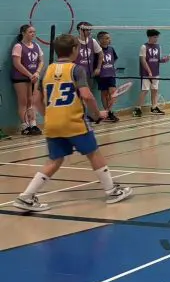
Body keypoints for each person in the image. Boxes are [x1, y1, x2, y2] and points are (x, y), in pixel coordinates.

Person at [13, 34, 133, 212]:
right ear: (75, 50)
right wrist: (97, 114)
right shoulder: (77, 70)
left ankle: (26, 196)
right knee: (94, 154)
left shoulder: (47, 70)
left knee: (55, 159)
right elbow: (86, 95)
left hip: (52, 124)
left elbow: (36, 99)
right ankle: (112, 191)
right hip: (74, 122)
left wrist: (48, 116)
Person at [10, 24, 44, 136]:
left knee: (31, 101)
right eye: (30, 32)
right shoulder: (18, 46)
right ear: (23, 33)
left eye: (34, 32)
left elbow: (41, 61)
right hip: (20, 78)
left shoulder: (36, 46)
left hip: (33, 77)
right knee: (23, 102)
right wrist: (29, 75)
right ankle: (25, 126)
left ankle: (33, 124)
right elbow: (17, 63)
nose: (33, 34)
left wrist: (37, 72)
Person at [133, 29, 170, 117]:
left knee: (155, 90)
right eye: (154, 37)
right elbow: (143, 60)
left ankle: (154, 107)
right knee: (145, 90)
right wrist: (149, 71)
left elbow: (158, 60)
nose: (156, 39)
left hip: (156, 73)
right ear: (149, 37)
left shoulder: (158, 46)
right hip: (146, 73)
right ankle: (137, 108)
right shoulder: (144, 47)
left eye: (157, 37)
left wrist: (165, 59)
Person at [96, 31, 119, 122]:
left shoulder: (111, 49)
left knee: (112, 93)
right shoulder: (97, 50)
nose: (109, 40)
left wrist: (110, 67)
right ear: (100, 40)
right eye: (107, 38)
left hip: (111, 74)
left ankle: (108, 111)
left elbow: (114, 59)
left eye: (109, 38)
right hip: (102, 75)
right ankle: (108, 113)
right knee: (104, 93)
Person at [75, 22, 102, 90]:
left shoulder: (93, 41)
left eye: (90, 30)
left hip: (89, 73)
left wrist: (98, 68)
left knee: (88, 92)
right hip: (76, 73)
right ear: (79, 30)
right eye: (86, 30)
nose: (89, 31)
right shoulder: (74, 41)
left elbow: (101, 54)